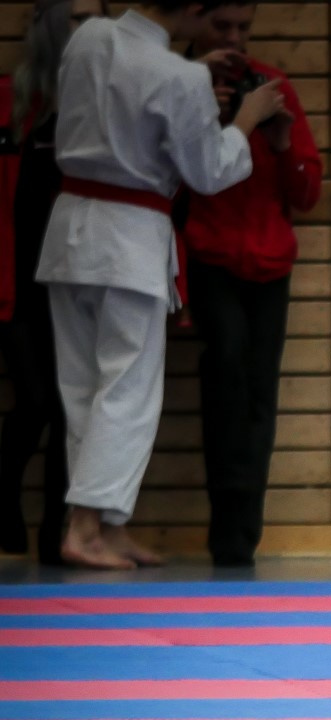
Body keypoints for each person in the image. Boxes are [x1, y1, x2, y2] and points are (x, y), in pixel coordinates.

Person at [37, 0, 283, 570]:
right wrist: (245, 120)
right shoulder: (180, 76)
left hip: (71, 229)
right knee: (127, 390)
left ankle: (108, 526)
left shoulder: (90, 38)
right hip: (128, 238)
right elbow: (209, 172)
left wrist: (191, 77)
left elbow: (117, 93)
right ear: (193, 8)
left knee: (83, 387)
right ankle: (85, 528)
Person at [182, 0, 321, 566]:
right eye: (222, 27)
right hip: (209, 255)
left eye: (244, 28)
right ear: (197, 22)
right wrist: (203, 114)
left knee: (259, 392)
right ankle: (227, 524)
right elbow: (163, 180)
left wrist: (282, 143)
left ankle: (243, 535)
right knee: (227, 376)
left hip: (269, 261)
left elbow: (307, 194)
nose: (235, 39)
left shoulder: (271, 87)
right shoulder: (179, 83)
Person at [0, 0, 108, 564]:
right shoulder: (12, 100)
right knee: (36, 401)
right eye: (76, 17)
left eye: (97, 17)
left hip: (74, 277)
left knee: (71, 408)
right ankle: (5, 500)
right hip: (15, 279)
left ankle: (56, 535)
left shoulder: (104, 101)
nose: (87, 29)